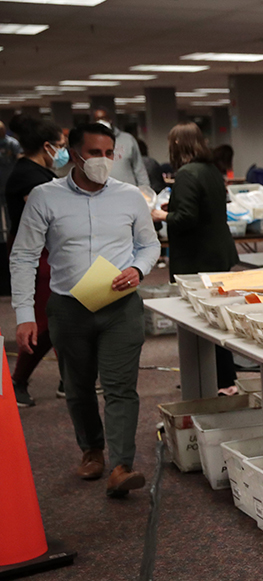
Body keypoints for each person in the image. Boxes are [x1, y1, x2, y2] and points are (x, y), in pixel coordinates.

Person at [10, 122, 160, 497]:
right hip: (68, 308)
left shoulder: (129, 197)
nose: (103, 161)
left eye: (109, 154)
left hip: (120, 307)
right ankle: (91, 449)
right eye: (95, 153)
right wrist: (25, 315)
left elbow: (149, 245)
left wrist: (138, 269)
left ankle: (122, 465)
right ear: (73, 154)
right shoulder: (45, 197)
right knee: (77, 388)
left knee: (120, 387)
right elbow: (23, 256)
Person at [151, 122, 240, 395]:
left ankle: (215, 380)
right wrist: (175, 204)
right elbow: (208, 207)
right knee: (217, 318)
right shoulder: (211, 170)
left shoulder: (187, 173)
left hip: (198, 259)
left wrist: (162, 215)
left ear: (177, 145)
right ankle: (224, 379)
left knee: (201, 321)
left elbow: (187, 219)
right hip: (217, 254)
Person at [5, 118, 67, 407]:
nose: (63, 153)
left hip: (48, 253)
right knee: (43, 323)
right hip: (37, 256)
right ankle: (17, 380)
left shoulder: (37, 173)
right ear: (47, 146)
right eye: (62, 147)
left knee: (62, 318)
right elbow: (47, 220)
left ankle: (69, 380)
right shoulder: (31, 179)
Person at [91, 107, 149, 188]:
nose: (101, 122)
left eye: (103, 118)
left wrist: (145, 188)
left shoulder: (128, 139)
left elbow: (139, 168)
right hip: (103, 192)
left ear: (110, 120)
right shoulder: (90, 143)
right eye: (97, 119)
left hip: (128, 191)